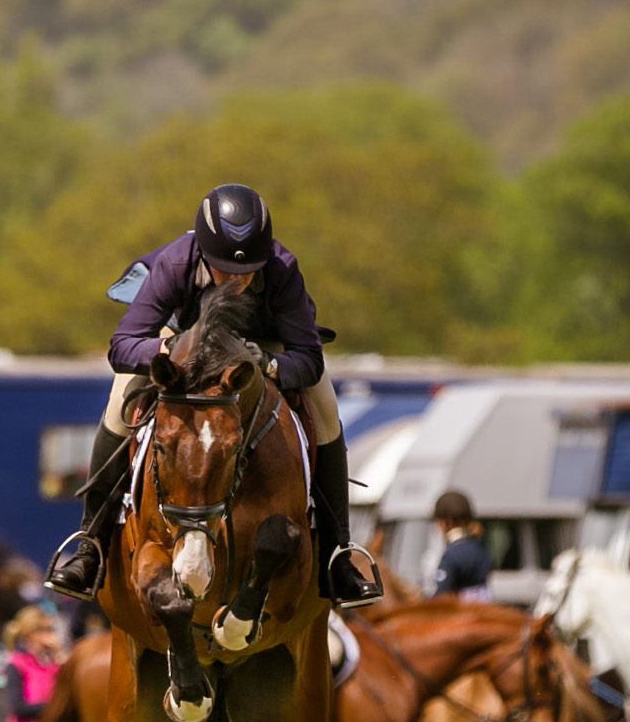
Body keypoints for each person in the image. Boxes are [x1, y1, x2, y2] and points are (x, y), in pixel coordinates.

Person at [43, 183, 383, 609]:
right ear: (203, 252)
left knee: (326, 407)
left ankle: (338, 554)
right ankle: (90, 543)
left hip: (263, 347)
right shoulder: (174, 263)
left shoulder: (281, 267)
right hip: (185, 346)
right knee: (119, 399)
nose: (237, 278)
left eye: (247, 271)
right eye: (225, 269)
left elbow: (308, 358)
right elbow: (122, 344)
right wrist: (168, 351)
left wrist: (271, 366)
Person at [430, 490, 493, 600]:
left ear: (446, 522)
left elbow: (442, 595)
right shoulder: (480, 548)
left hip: (460, 613)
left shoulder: (452, 555)